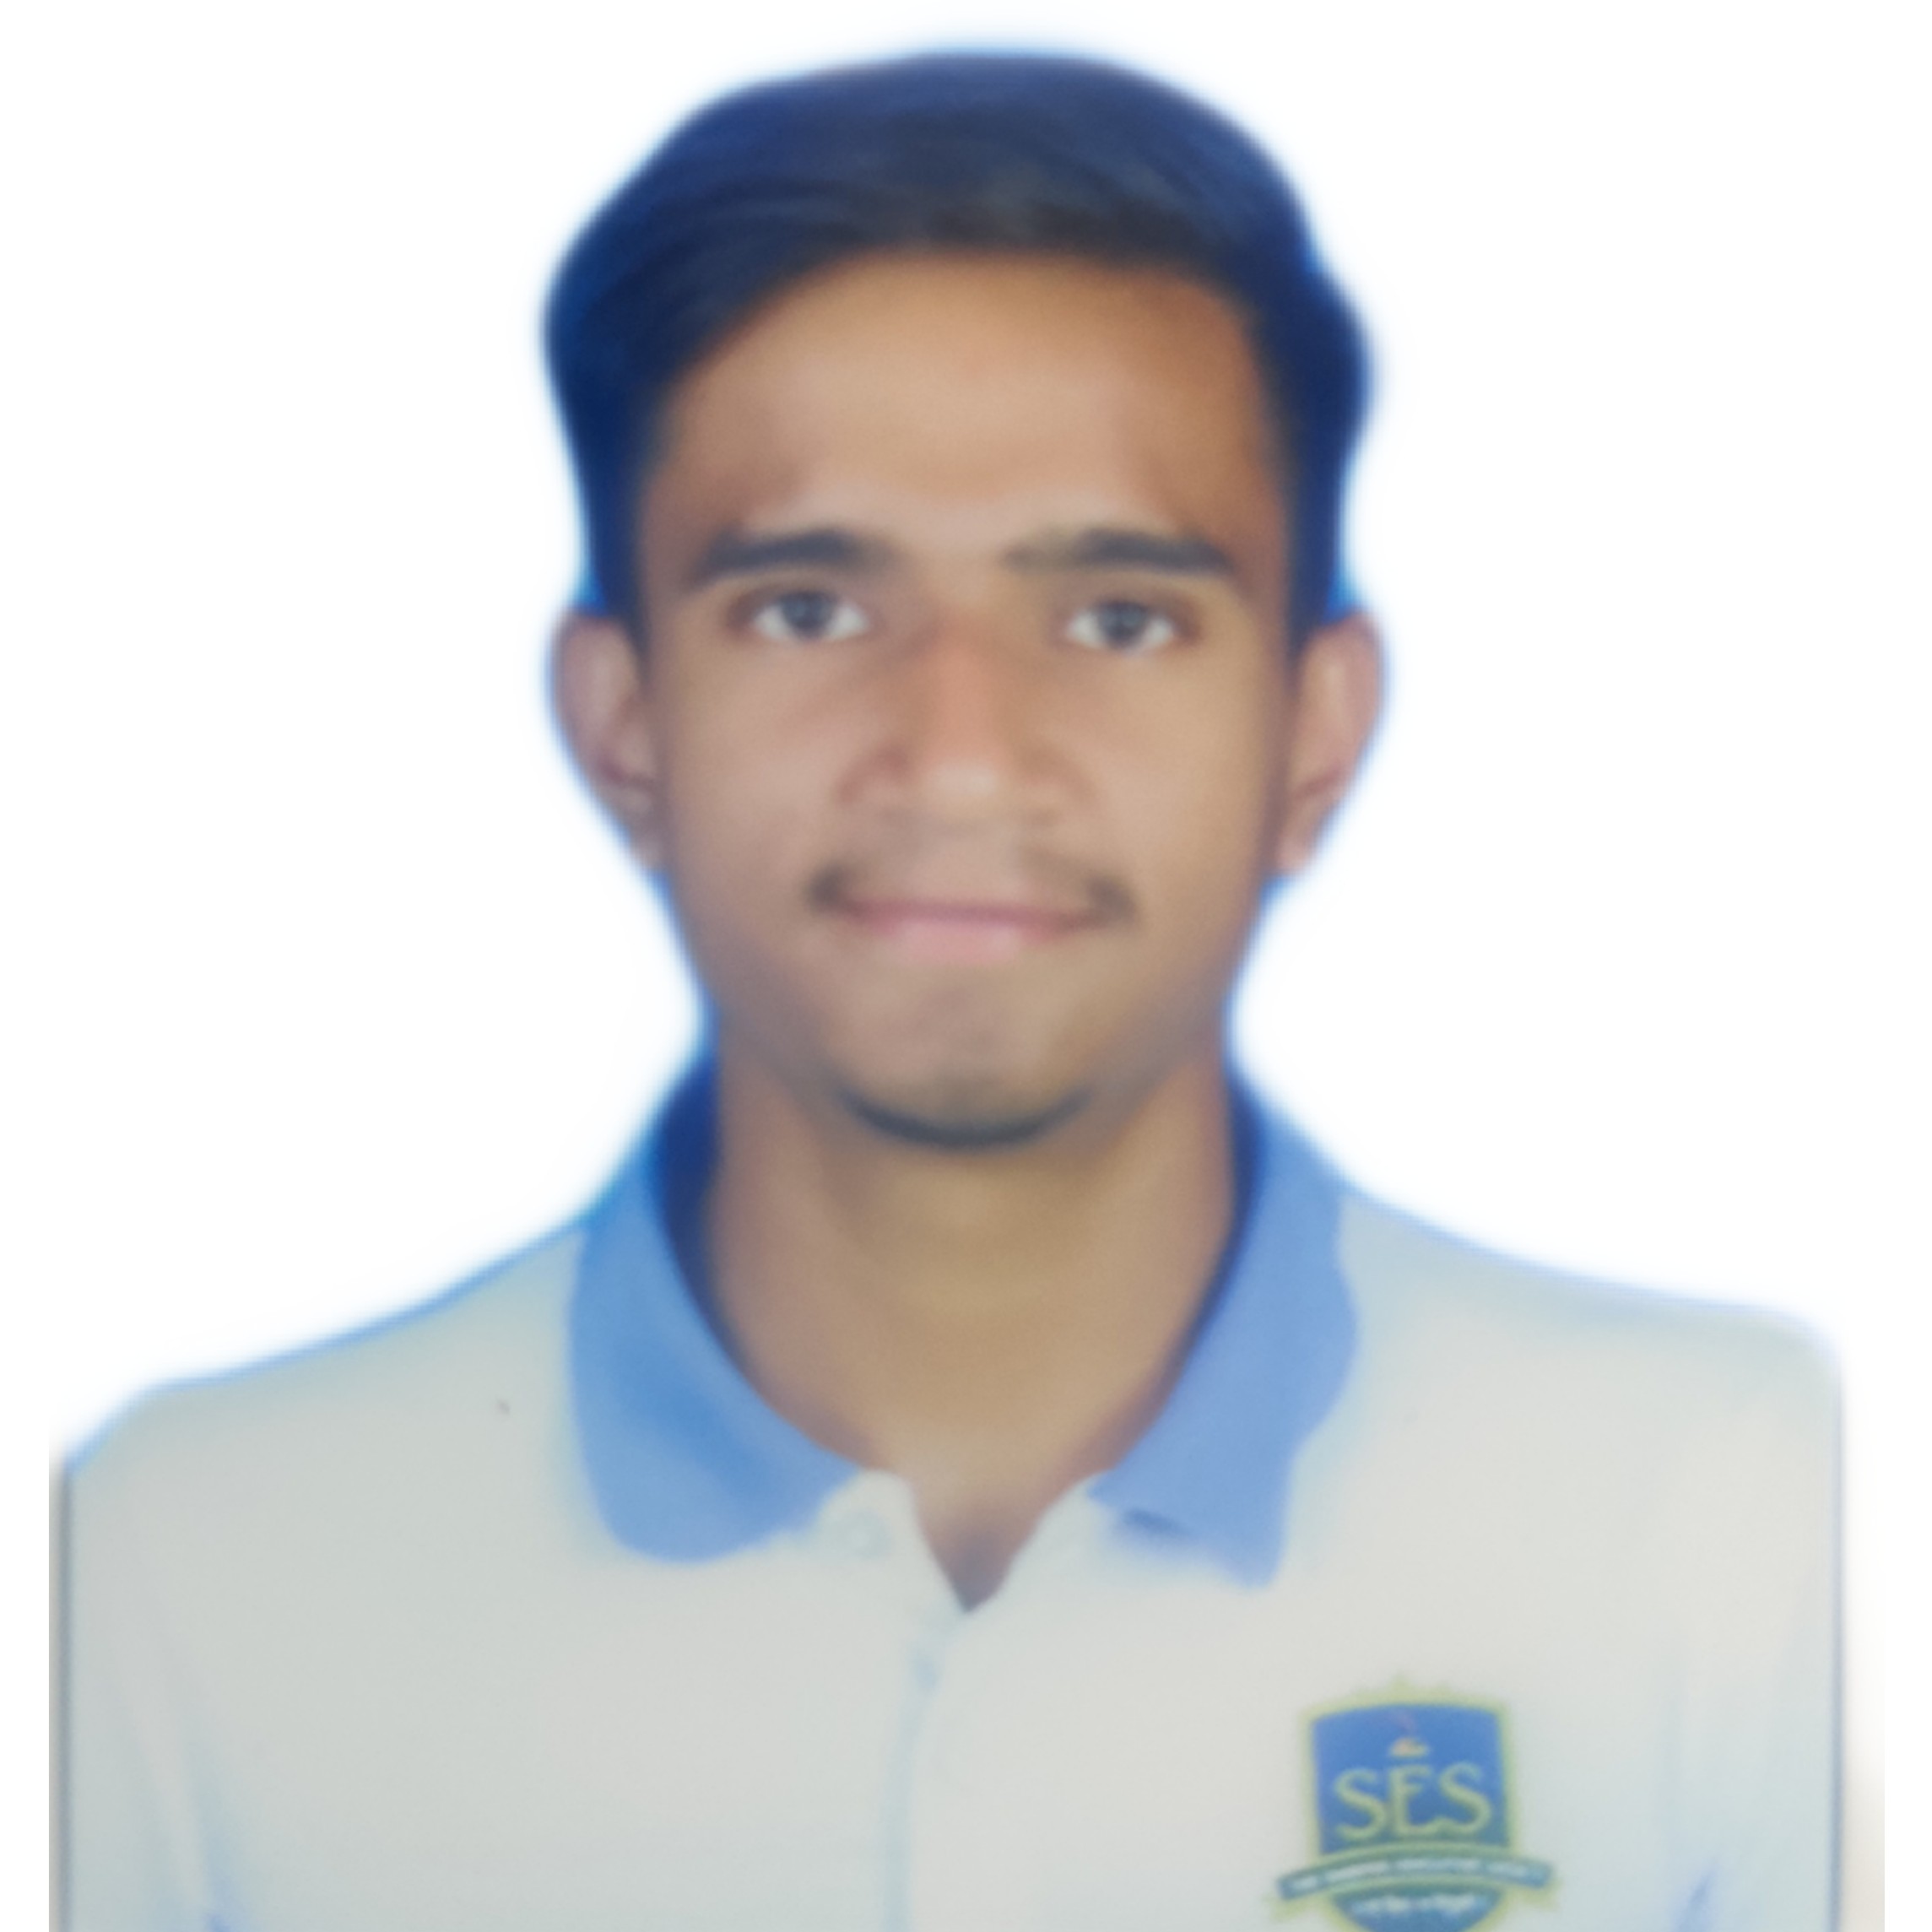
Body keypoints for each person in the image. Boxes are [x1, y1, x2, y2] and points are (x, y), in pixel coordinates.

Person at [60, 51, 1837, 1932]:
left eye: (1118, 617)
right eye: (808, 609)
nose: (963, 757)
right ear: (625, 723)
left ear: (1312, 736)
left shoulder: (1736, 1513)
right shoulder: (177, 1576)